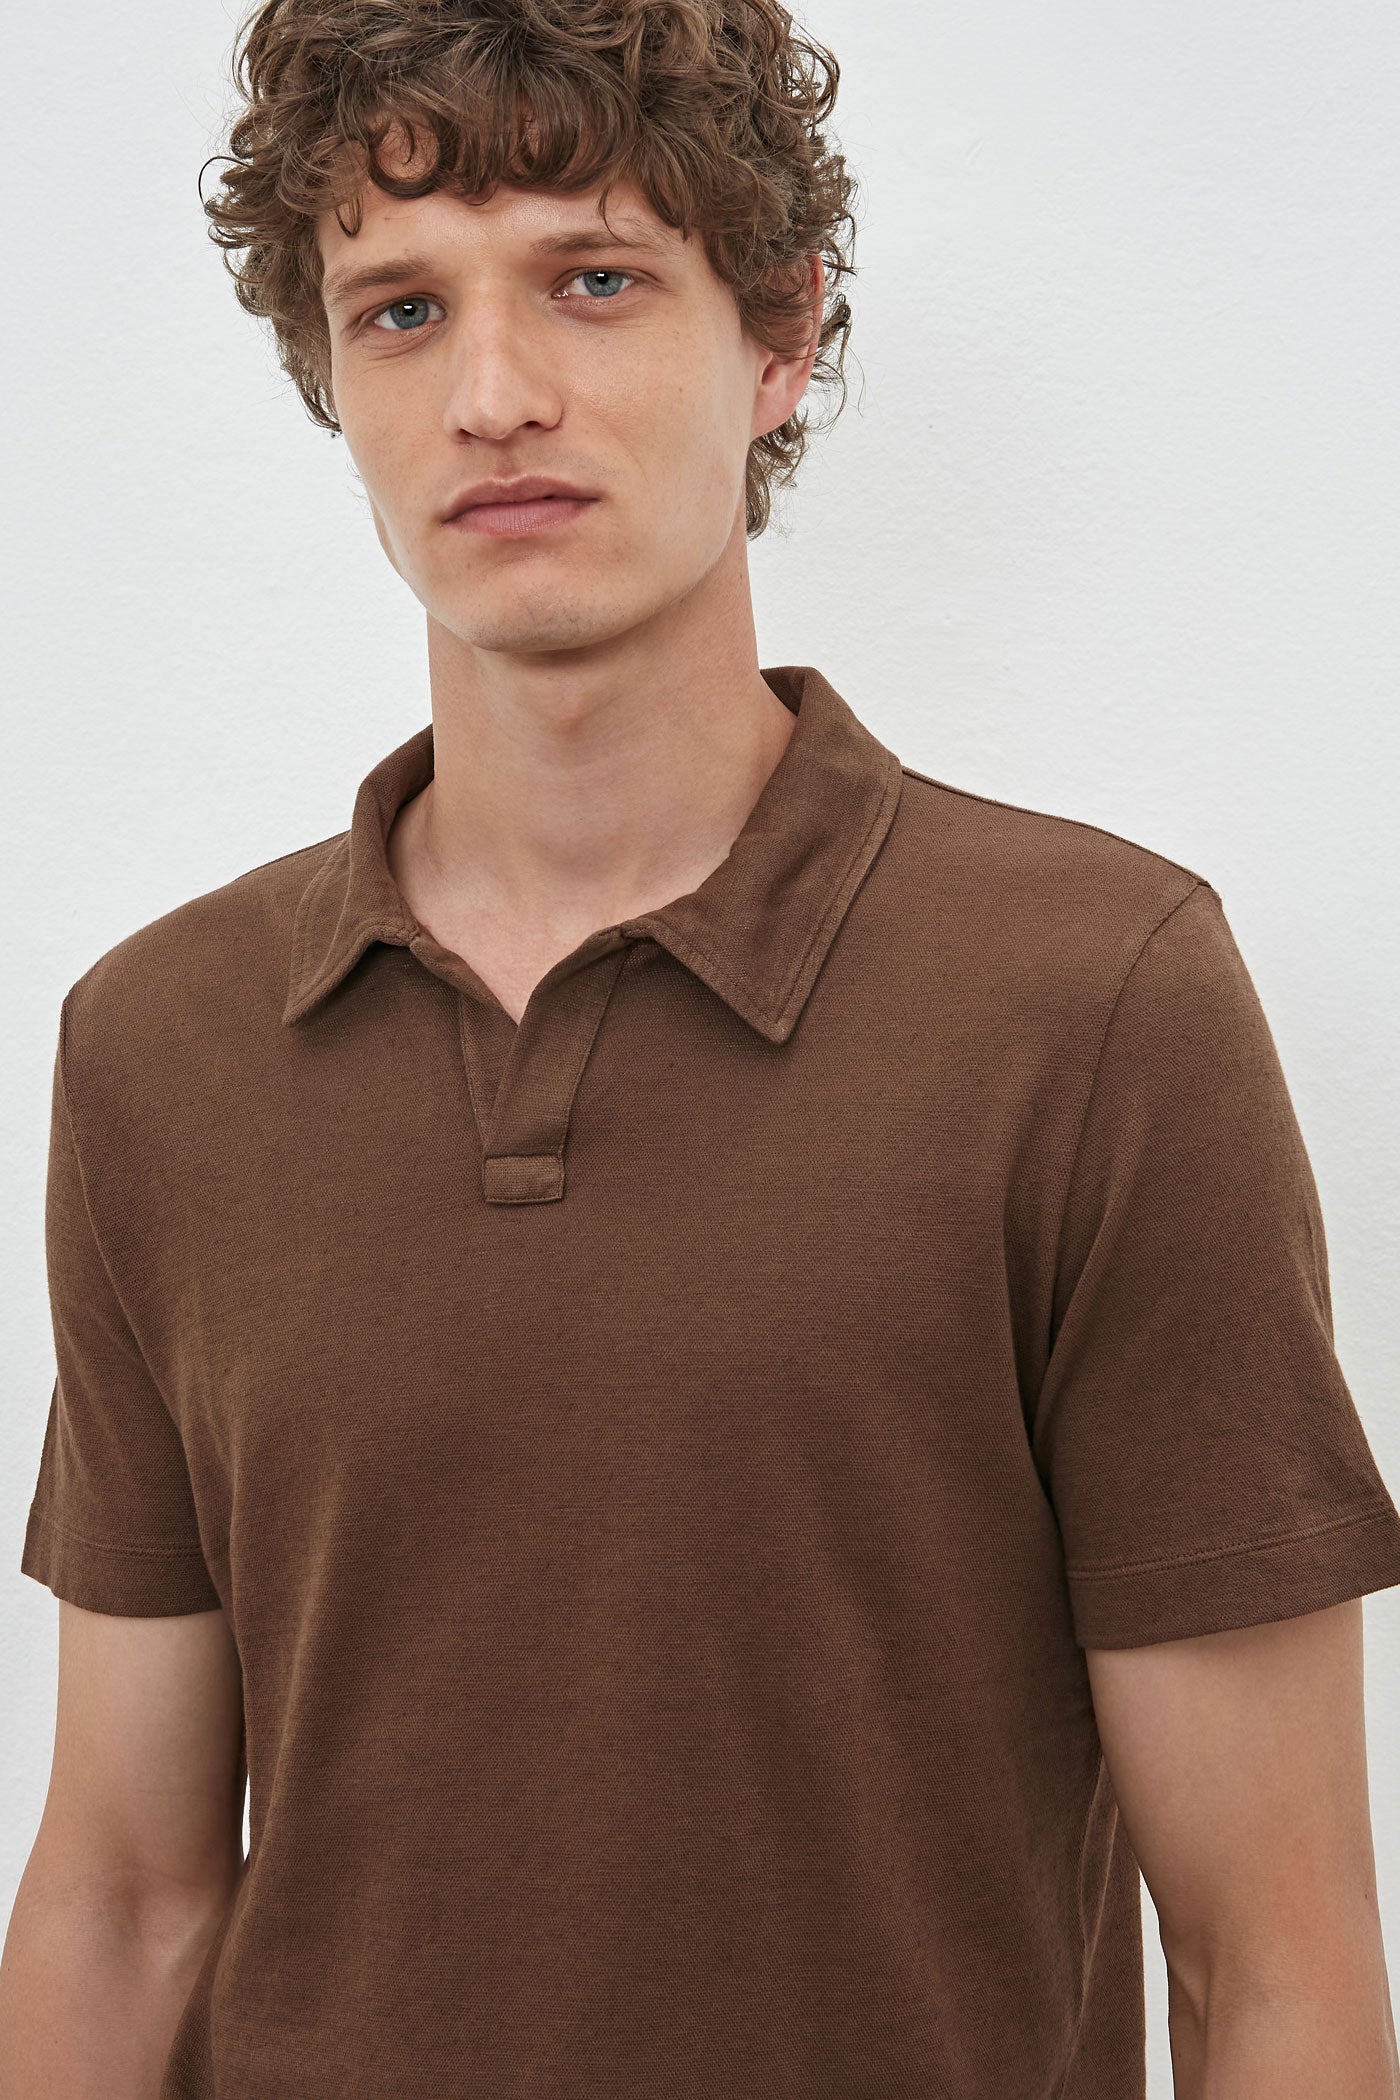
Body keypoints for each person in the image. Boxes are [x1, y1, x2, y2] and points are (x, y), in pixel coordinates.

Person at [5, 2, 1400, 2094]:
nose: (492, 394)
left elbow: (1270, 1955)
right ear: (331, 379)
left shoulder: (1098, 1001)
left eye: (591, 280)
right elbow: (123, 1897)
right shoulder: (162, 1046)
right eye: (400, 311)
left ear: (778, 335)